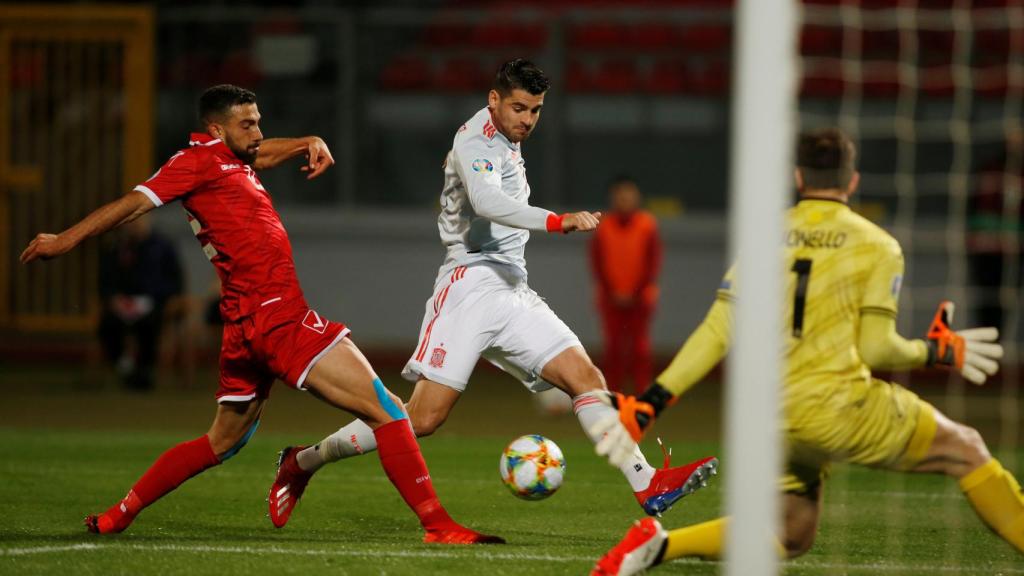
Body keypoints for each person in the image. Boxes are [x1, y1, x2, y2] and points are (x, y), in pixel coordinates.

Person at [20, 84, 498, 545]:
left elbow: (261, 154)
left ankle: (118, 516)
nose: (257, 132)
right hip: (279, 319)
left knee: (220, 443)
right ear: (215, 129)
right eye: (247, 124)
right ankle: (437, 524)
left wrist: (305, 143)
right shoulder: (192, 162)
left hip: (244, 325)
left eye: (259, 123)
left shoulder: (228, 158)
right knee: (390, 411)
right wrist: (63, 240)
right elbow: (131, 204)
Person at [266, 59, 717, 530]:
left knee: (585, 376)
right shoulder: (476, 141)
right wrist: (556, 220)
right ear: (494, 100)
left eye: (536, 110)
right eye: (519, 108)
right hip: (470, 286)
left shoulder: (504, 141)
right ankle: (302, 462)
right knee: (420, 419)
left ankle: (647, 483)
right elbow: (486, 203)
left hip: (512, 287)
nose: (527, 119)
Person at [589, 128, 1018, 575]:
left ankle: (658, 545)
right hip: (840, 408)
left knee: (791, 532)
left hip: (774, 417)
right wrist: (935, 352)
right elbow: (876, 349)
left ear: (798, 177)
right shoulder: (877, 244)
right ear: (853, 181)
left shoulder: (767, 236)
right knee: (967, 449)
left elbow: (719, 328)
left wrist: (651, 402)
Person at [590, 176, 662, 394]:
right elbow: (597, 263)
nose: (624, 200)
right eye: (620, 196)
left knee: (640, 349)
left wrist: (636, 291)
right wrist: (613, 291)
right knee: (612, 349)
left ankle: (642, 395)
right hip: (610, 298)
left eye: (629, 195)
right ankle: (613, 394)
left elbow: (653, 262)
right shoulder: (604, 227)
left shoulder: (647, 225)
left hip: (641, 298)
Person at [97, 213, 184, 391]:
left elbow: (175, 280)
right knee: (108, 324)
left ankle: (144, 370)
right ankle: (124, 366)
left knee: (151, 324)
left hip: (153, 303)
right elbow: (104, 280)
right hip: (121, 304)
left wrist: (156, 298)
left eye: (138, 220)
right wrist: (113, 298)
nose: (134, 225)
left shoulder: (163, 246)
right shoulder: (116, 247)